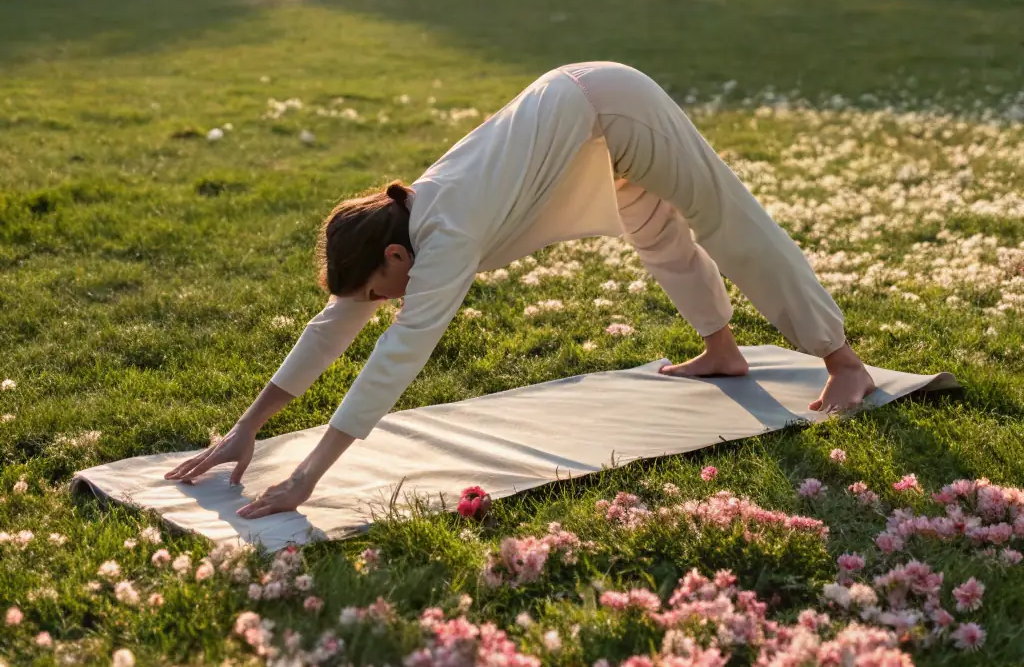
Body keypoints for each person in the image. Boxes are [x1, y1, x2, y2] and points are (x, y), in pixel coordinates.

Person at [167, 62, 876, 517]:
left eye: (382, 292)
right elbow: (334, 323)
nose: (383, 304)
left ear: (393, 252)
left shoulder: (444, 237)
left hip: (616, 104)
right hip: (579, 118)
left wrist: (308, 477)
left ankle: (842, 359)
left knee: (724, 217)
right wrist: (245, 428)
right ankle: (723, 350)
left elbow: (396, 358)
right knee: (656, 230)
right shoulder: (404, 231)